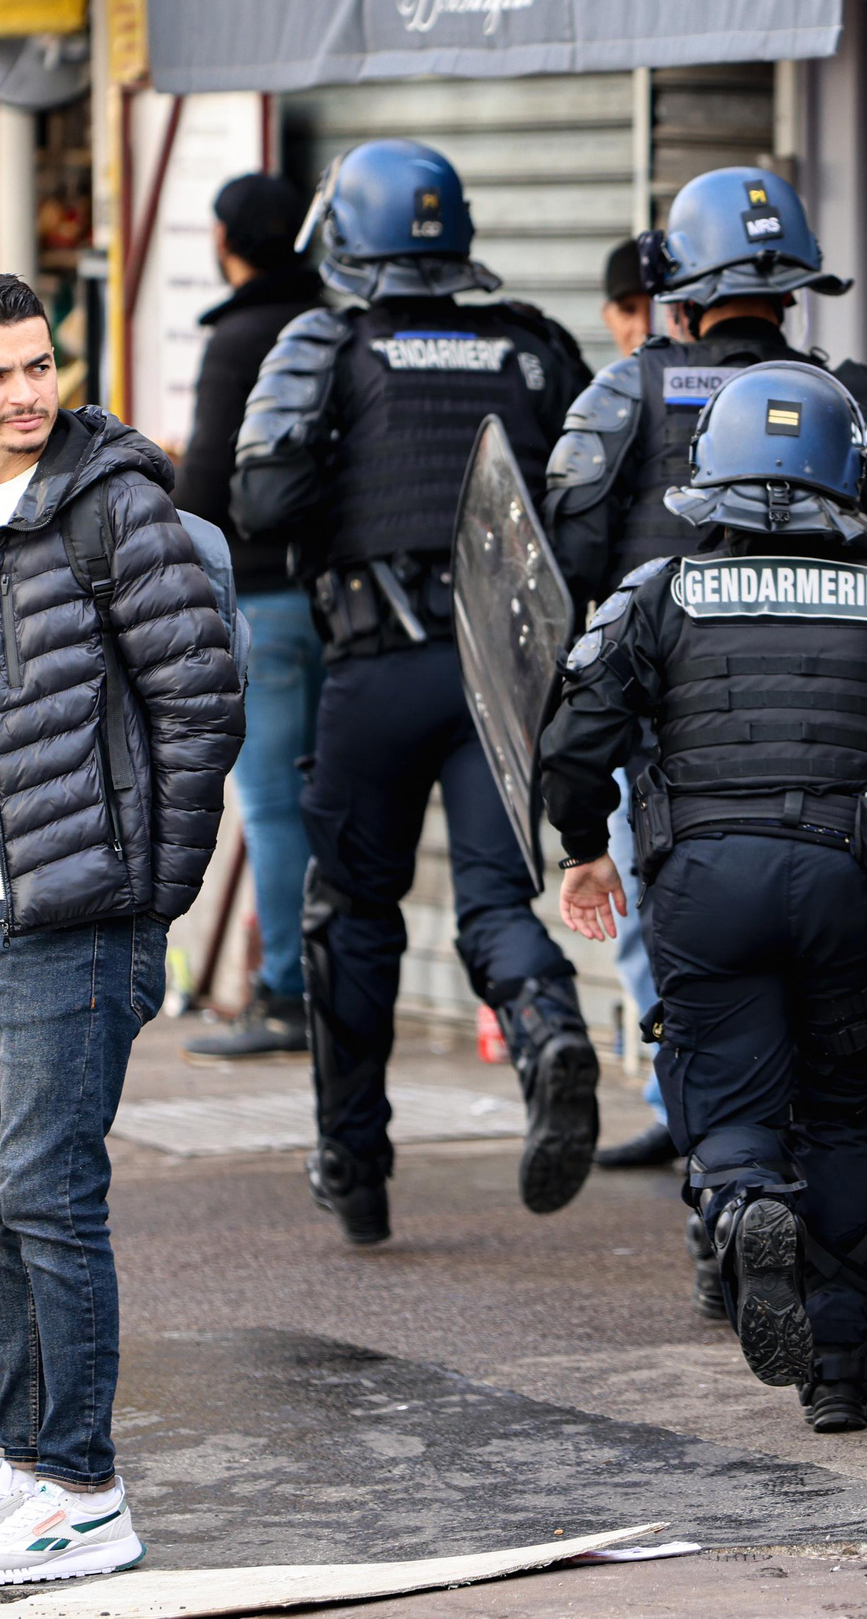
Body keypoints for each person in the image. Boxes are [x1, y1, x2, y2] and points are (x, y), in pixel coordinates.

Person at [0, 273, 243, 1585]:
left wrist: (148, 890)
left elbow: (203, 702)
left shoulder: (115, 507)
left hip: (75, 912)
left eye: (38, 365)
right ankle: (23, 1467)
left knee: (51, 1197)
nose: (25, 393)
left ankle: (85, 1487)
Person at [540, 361, 867, 1433]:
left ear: (708, 469)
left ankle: (746, 1203)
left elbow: (573, 738)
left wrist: (584, 848)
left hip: (709, 883)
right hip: (853, 878)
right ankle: (842, 1376)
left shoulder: (657, 591)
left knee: (728, 1094)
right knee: (846, 1112)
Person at [231, 139, 596, 1246]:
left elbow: (262, 501)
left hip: (376, 668)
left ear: (351, 235)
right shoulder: (534, 346)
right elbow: (580, 514)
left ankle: (355, 1163)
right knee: (493, 901)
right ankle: (547, 1031)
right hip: (504, 676)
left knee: (352, 914)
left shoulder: (325, 343)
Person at [540, 165, 867, 605]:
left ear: (683, 293)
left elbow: (569, 568)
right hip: (821, 647)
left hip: (665, 648)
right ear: (789, 291)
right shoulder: (857, 397)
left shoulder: (629, 388)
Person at [176, 172, 326, 1061]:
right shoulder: (336, 325)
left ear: (228, 241)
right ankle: (341, 985)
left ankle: (286, 995)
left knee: (272, 805)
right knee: (333, 798)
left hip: (263, 600)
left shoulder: (237, 338)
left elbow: (204, 484)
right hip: (344, 601)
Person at [586, 238, 673, 1174]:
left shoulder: (618, 397)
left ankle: (677, 1097)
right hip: (685, 696)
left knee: (645, 909)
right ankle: (678, 1097)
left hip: (644, 698)